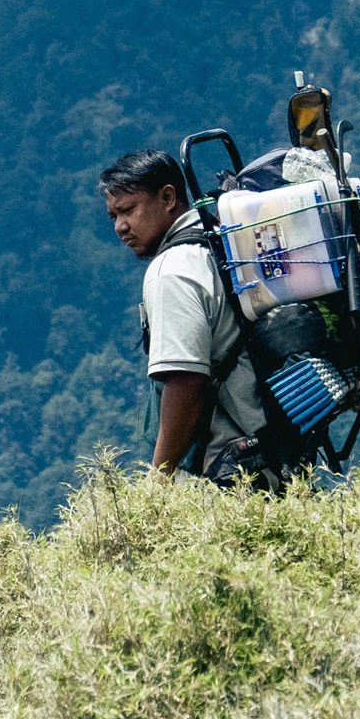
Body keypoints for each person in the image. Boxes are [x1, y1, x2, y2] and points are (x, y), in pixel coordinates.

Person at [100, 149, 269, 482]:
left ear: (167, 197)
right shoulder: (217, 242)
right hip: (273, 446)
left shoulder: (171, 271)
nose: (120, 227)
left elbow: (185, 380)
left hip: (231, 465)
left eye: (128, 210)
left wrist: (160, 476)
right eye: (113, 216)